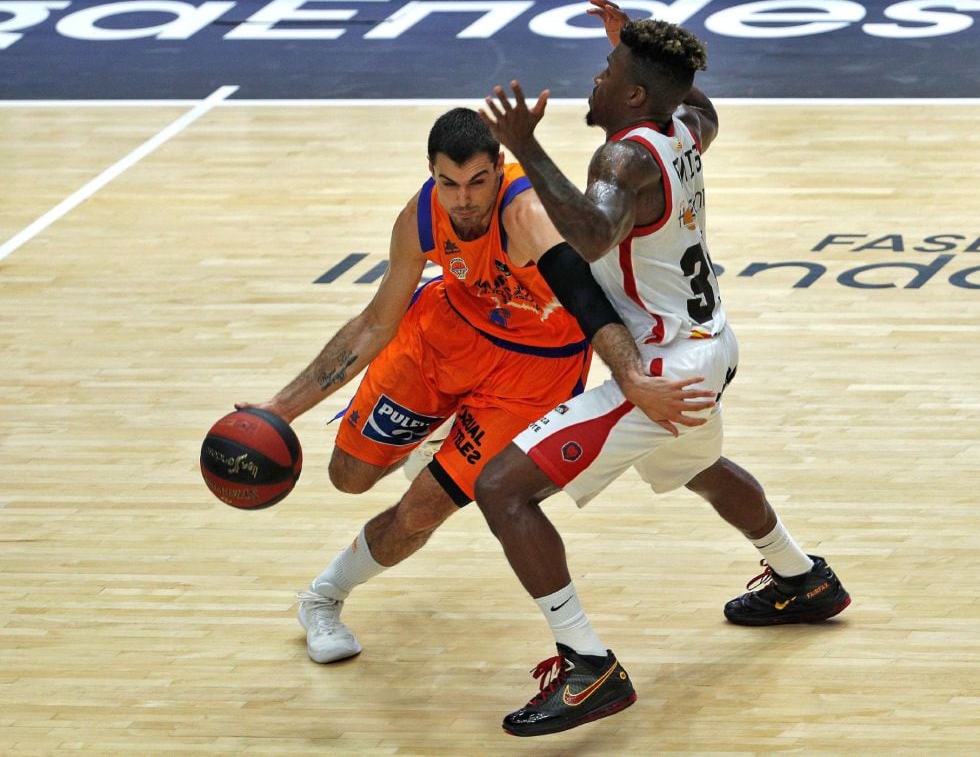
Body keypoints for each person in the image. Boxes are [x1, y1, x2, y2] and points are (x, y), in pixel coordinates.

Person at [474, 0, 851, 737]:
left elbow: (587, 235)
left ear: (636, 95)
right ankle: (801, 577)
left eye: (609, 68)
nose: (596, 76)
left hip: (664, 368)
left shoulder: (620, 158)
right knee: (697, 467)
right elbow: (696, 97)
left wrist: (526, 146)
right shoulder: (686, 125)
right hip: (707, 343)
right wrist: (634, 42)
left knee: (502, 490)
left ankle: (589, 666)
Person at [239, 107, 708, 665]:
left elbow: (590, 305)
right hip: (440, 338)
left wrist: (631, 378)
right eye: (448, 184)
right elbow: (374, 322)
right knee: (349, 477)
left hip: (533, 373)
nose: (462, 199)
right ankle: (439, 434)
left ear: (499, 170)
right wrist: (281, 408)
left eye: (477, 183)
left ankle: (322, 597)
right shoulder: (421, 216)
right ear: (431, 174)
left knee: (421, 510)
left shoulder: (529, 214)